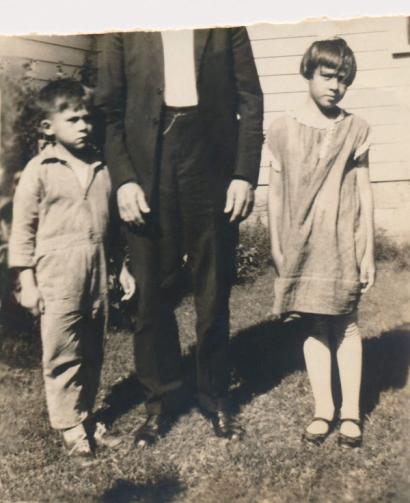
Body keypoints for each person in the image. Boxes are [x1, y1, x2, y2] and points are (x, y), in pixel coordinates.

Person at [96, 28, 264, 444]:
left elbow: (250, 100)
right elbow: (108, 109)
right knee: (150, 290)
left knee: (213, 287)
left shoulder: (223, 19)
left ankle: (216, 396)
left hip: (210, 160)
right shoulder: (125, 22)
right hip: (147, 165)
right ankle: (161, 400)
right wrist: (124, 180)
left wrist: (244, 174)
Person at [8, 79, 135, 465]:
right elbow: (22, 229)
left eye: (87, 118)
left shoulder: (101, 168)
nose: (84, 125)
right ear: (49, 127)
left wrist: (122, 269)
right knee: (63, 352)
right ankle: (70, 428)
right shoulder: (40, 169)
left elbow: (113, 232)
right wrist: (26, 281)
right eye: (73, 119)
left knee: (93, 349)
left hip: (96, 274)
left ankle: (87, 415)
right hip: (57, 274)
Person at [267, 38, 375, 448]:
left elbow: (365, 193)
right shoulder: (281, 128)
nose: (335, 86)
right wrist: (277, 246)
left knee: (344, 321)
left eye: (343, 80)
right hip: (301, 241)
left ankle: (350, 412)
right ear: (308, 73)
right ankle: (323, 408)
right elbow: (275, 193)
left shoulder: (355, 129)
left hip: (341, 238)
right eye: (327, 76)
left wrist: (368, 250)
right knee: (313, 321)